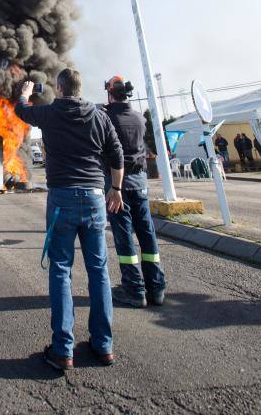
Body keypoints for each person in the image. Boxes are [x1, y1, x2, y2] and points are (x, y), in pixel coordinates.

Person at [15, 69, 124, 371]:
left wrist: (24, 92)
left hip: (62, 198)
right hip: (94, 198)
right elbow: (117, 154)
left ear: (60, 88)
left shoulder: (50, 113)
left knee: (61, 269)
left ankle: (63, 350)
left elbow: (21, 110)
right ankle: (103, 345)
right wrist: (115, 189)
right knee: (99, 271)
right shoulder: (100, 115)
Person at [102, 76, 167, 309]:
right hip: (140, 183)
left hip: (116, 185)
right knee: (147, 232)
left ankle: (134, 289)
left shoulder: (106, 117)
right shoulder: (140, 117)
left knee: (124, 236)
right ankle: (156, 287)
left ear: (110, 93)